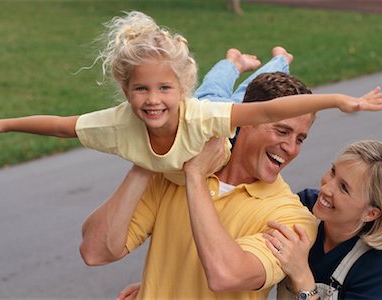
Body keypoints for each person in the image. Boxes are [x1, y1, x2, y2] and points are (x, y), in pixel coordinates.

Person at [0, 11, 382, 186]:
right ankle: (233, 58)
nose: (152, 100)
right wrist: (1, 125)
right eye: (141, 89)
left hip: (213, 112)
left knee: (261, 85)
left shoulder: (200, 113)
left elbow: (268, 109)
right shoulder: (115, 123)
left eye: (164, 88)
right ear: (125, 91)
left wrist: (339, 99)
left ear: (180, 89)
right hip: (210, 101)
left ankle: (276, 58)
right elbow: (59, 125)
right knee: (222, 82)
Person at [79, 68, 322, 299]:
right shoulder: (173, 174)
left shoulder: (292, 218)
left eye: (300, 138)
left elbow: (225, 275)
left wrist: (195, 176)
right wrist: (147, 159)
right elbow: (95, 251)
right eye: (281, 132)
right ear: (247, 118)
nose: (291, 148)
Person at [263, 140, 382, 299]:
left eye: (344, 188)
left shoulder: (381, 266)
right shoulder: (305, 205)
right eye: (333, 172)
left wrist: (301, 276)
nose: (325, 188)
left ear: (371, 213)